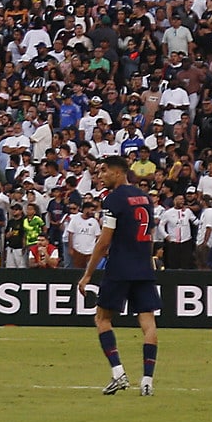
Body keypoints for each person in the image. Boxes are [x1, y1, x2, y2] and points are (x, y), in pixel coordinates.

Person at [80, 154, 158, 396]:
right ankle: (147, 381)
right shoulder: (145, 198)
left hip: (120, 267)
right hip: (143, 267)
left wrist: (87, 274)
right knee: (148, 323)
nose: (100, 176)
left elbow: (104, 242)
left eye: (104, 171)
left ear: (117, 172)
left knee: (102, 319)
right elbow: (151, 235)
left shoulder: (113, 200)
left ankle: (118, 374)